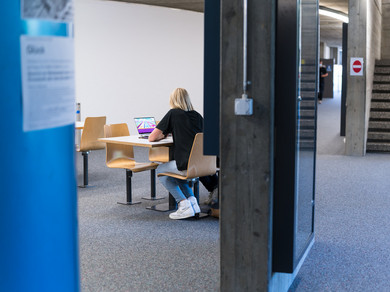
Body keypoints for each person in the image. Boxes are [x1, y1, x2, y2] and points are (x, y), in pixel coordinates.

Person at [149, 88, 204, 220]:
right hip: (202, 164)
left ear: (173, 100)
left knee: (161, 170)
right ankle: (192, 202)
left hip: (186, 164)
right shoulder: (197, 116)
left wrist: (162, 135)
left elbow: (151, 138)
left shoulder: (173, 113)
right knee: (176, 174)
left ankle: (183, 204)